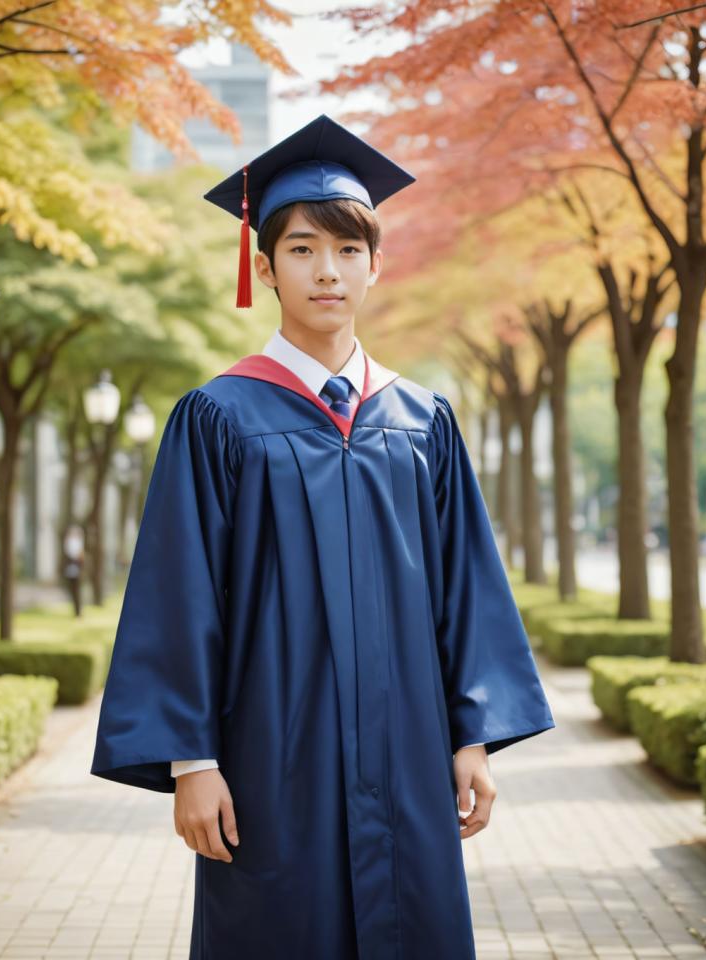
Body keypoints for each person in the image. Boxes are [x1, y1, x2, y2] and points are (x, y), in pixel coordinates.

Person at [90, 114, 556, 960]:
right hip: (273, 757)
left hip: (410, 753)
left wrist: (473, 735)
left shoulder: (422, 421)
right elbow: (177, 592)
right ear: (264, 268)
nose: (327, 271)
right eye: (302, 250)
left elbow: (467, 590)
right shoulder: (219, 417)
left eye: (347, 250)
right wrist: (191, 762)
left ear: (377, 265)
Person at [61, 523, 85, 617]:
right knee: (74, 590)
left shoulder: (75, 542)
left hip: (76, 569)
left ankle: (78, 611)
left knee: (76, 590)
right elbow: (74, 555)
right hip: (72, 569)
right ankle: (77, 611)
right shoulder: (71, 542)